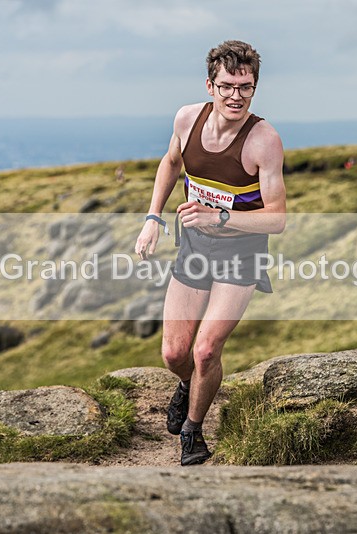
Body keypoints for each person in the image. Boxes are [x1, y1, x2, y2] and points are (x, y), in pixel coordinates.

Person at [134, 40, 286, 465]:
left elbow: (277, 219)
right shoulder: (187, 119)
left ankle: (193, 431)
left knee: (205, 350)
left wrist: (220, 217)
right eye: (227, 86)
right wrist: (153, 218)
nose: (236, 95)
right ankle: (189, 386)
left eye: (246, 87)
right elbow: (170, 163)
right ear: (210, 85)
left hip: (242, 253)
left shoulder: (264, 140)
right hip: (196, 248)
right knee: (175, 354)